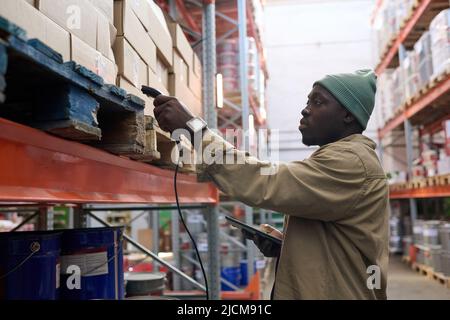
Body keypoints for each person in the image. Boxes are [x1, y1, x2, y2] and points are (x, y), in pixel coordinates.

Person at [151, 69, 389, 300]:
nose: (305, 110)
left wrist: (194, 130)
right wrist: (287, 246)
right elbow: (339, 244)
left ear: (348, 115)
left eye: (318, 102)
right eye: (308, 101)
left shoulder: (350, 163)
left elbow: (262, 180)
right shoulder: (341, 159)